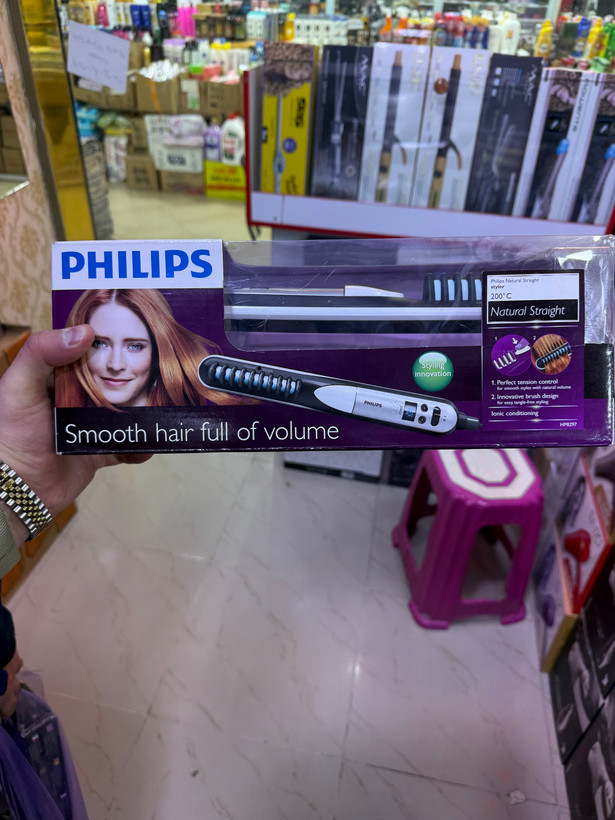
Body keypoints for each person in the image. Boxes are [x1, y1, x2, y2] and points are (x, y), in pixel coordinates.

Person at [55, 289, 239, 409]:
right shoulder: (65, 423)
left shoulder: (184, 426)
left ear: (158, 352)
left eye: (135, 346)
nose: (116, 365)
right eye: (99, 344)